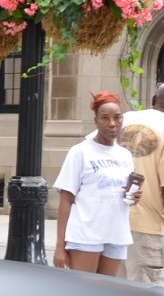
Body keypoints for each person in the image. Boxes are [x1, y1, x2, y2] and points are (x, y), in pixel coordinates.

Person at [53, 91, 141, 277]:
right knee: (84, 293)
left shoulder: (124, 155)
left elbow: (122, 196)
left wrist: (133, 197)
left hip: (116, 233)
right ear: (95, 121)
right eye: (105, 118)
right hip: (86, 234)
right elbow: (66, 200)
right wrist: (60, 246)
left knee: (105, 294)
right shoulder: (80, 152)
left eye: (117, 118)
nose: (112, 123)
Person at [117, 81, 164, 284]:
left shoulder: (124, 119)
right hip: (145, 224)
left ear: (153, 100)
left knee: (113, 293)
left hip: (112, 221)